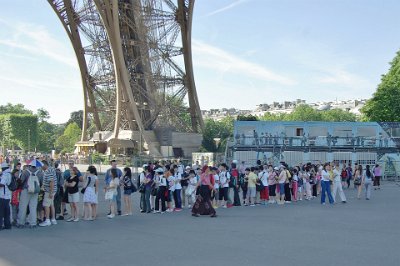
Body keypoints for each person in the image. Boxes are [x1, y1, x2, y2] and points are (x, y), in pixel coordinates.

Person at [17, 161, 43, 228]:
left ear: (30, 165)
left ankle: (21, 223)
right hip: (35, 191)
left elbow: (21, 181)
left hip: (26, 190)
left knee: (23, 207)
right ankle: (33, 223)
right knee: (33, 207)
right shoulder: (40, 173)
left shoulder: (25, 172)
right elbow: (41, 182)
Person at [39, 160, 58, 227]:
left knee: (46, 205)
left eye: (41, 166)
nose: (41, 167)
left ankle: (47, 220)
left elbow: (51, 182)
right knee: (51, 204)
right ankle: (53, 219)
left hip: (49, 191)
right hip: (52, 190)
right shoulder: (51, 169)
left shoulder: (48, 171)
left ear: (44, 165)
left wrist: (50, 192)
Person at [0, 162, 12, 230]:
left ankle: (0, 225)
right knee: (7, 212)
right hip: (7, 195)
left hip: (3, 195)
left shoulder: (5, 174)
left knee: (1, 212)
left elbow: (2, 184)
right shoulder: (9, 174)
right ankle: (8, 225)